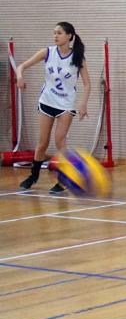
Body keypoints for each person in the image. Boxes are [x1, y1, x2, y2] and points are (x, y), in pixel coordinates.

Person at [16, 22, 91, 194]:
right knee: (42, 143)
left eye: (59, 33)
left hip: (66, 104)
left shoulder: (77, 57)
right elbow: (22, 66)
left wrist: (84, 104)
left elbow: (87, 84)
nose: (55, 36)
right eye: (54, 33)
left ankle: (64, 180)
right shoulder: (47, 52)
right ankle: (33, 176)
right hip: (47, 101)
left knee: (59, 141)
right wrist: (20, 77)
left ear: (69, 36)